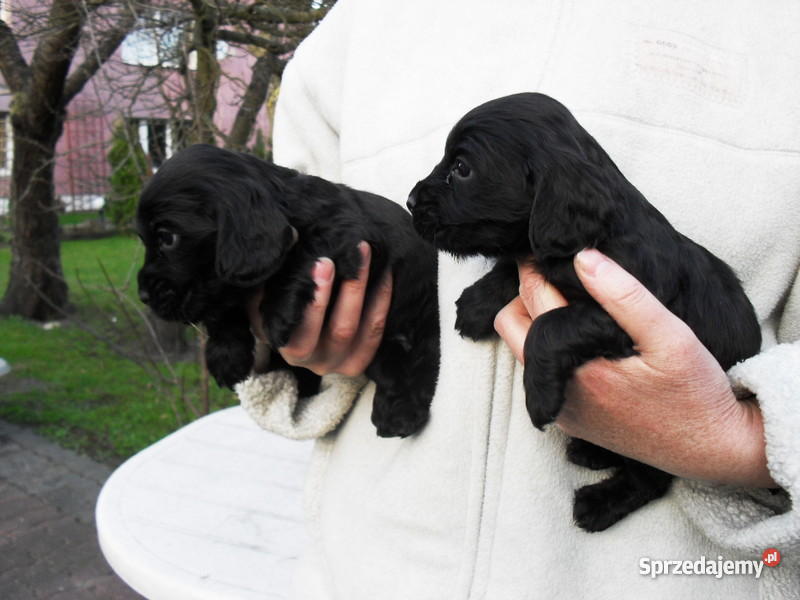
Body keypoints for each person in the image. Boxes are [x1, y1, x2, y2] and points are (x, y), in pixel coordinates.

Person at [239, 1, 800, 597]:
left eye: (458, 171)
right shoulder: (360, 25)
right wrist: (278, 331)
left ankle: (638, 482)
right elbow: (286, 232)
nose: (422, 192)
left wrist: (730, 440)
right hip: (375, 567)